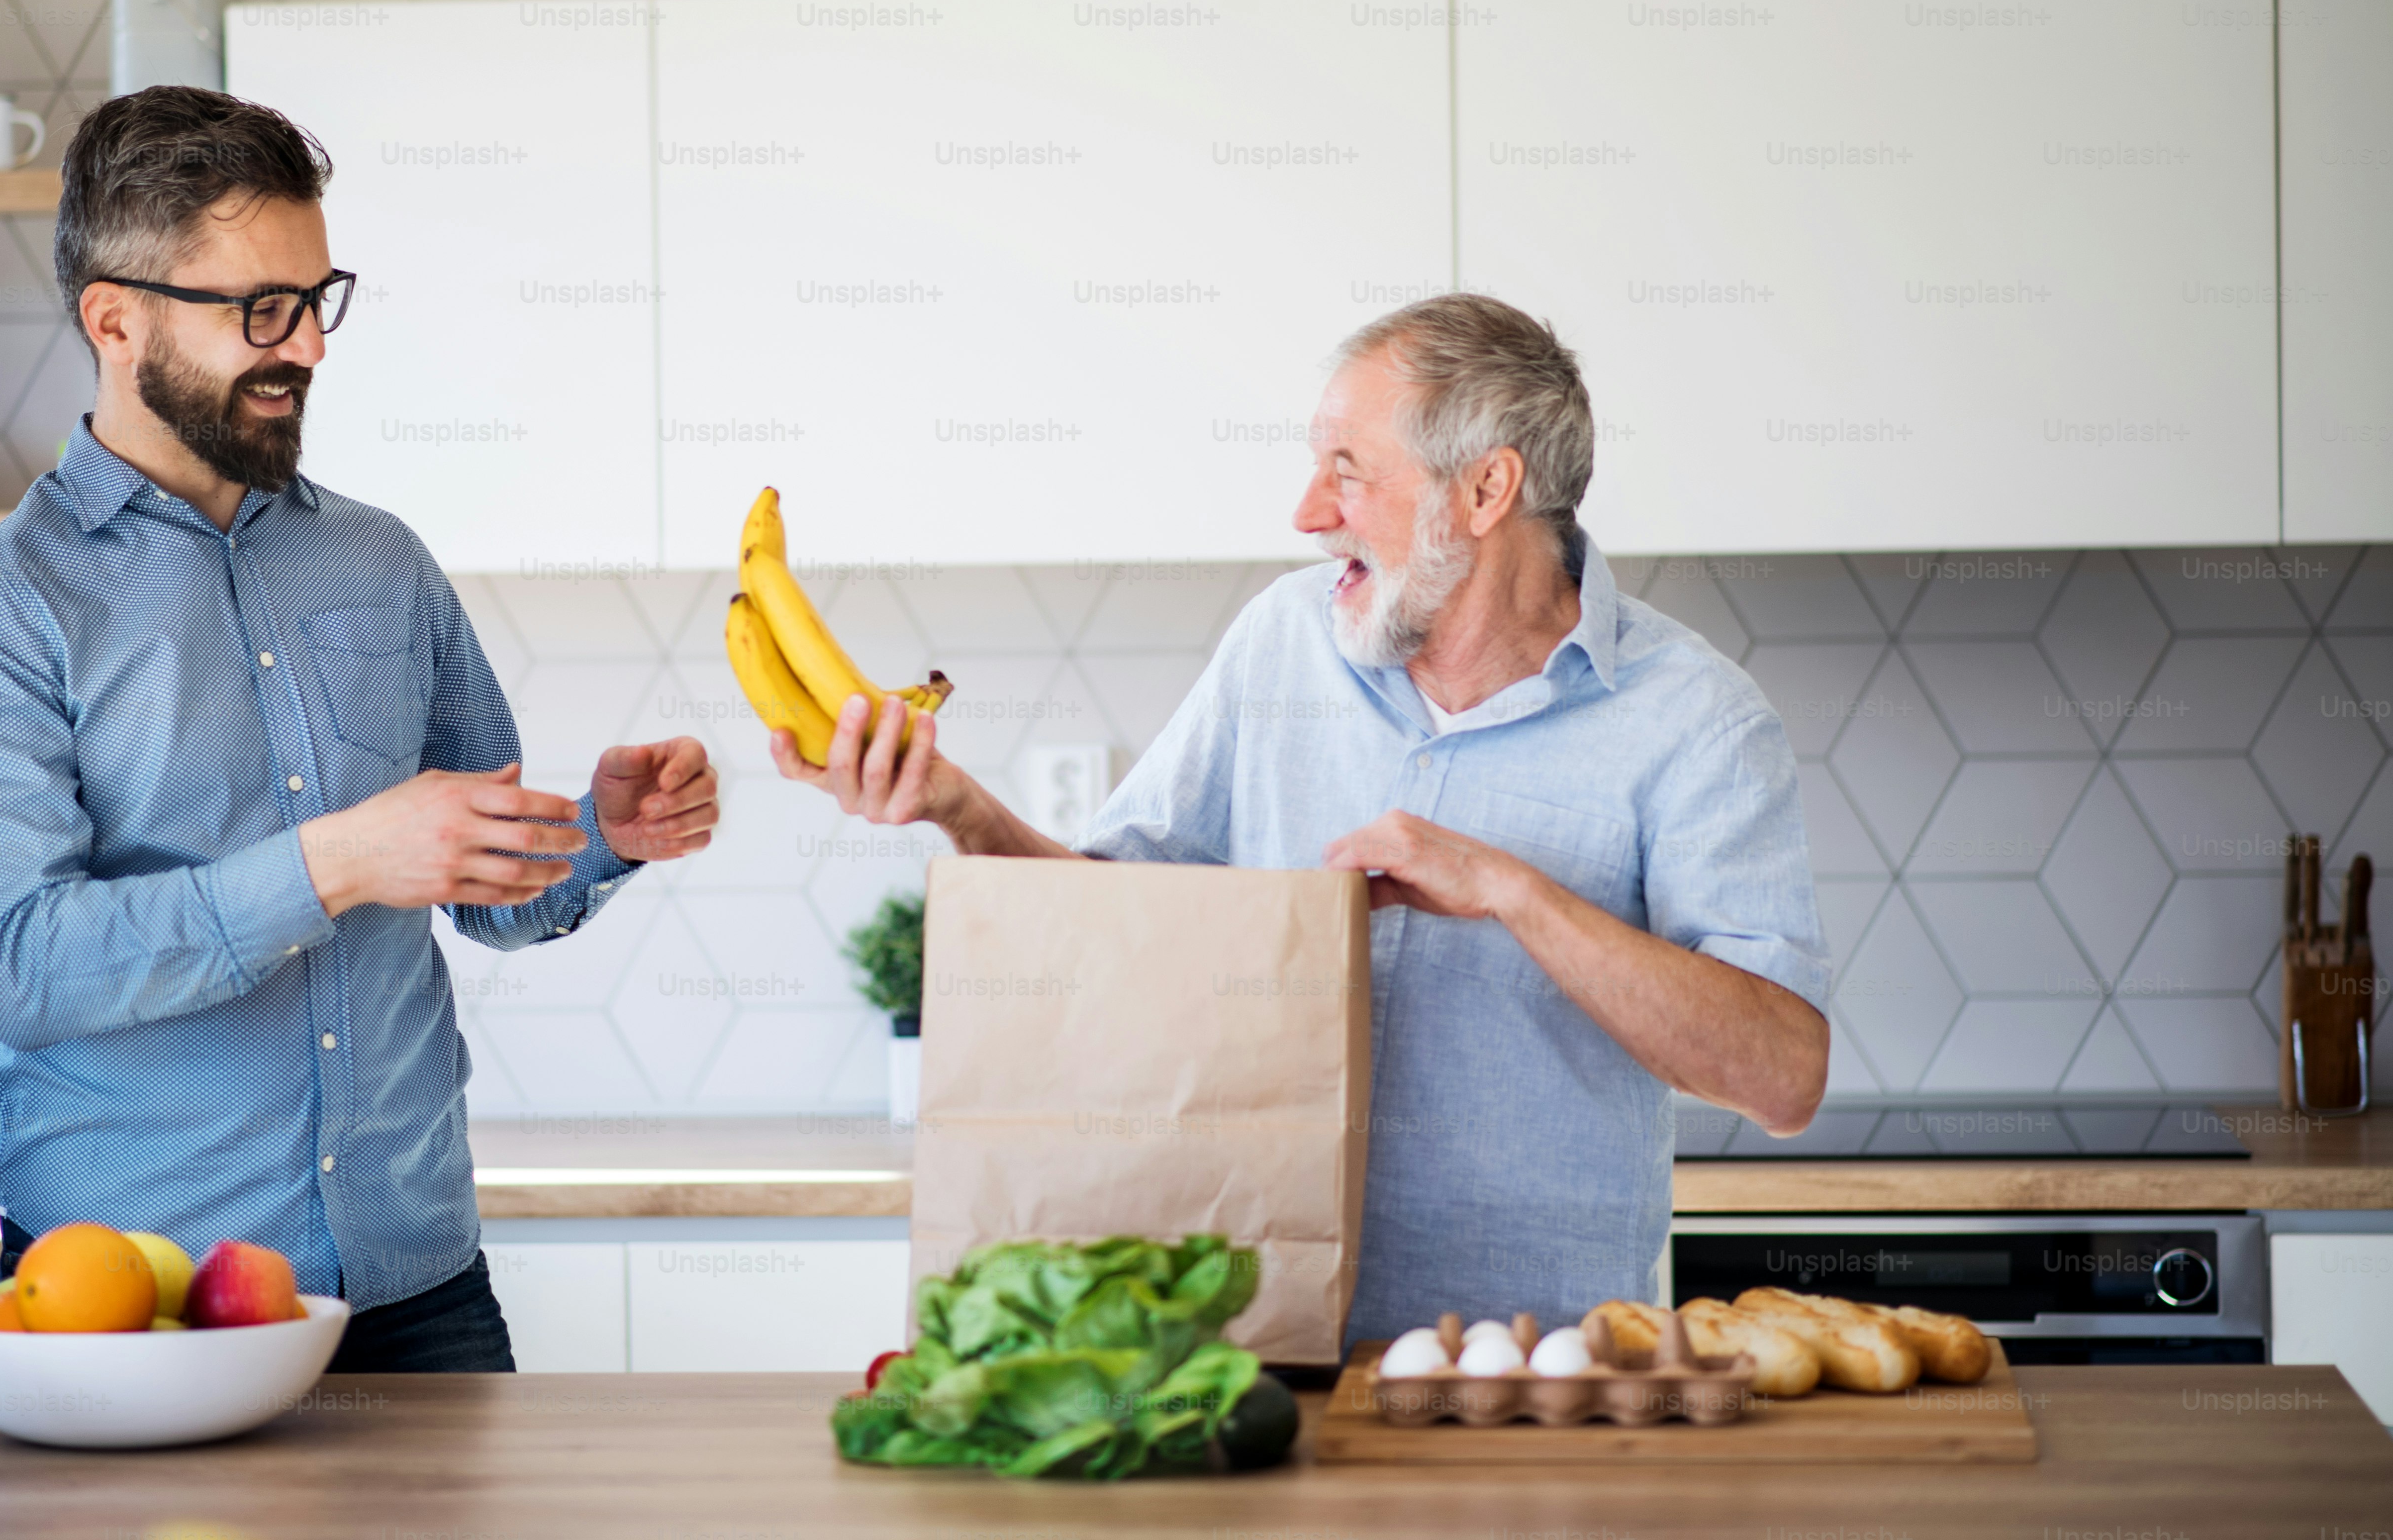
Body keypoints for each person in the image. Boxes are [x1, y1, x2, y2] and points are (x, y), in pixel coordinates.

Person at [776, 294, 1829, 1338]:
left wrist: (1516, 892)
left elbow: (1782, 1077)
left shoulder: (1697, 719)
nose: (1308, 512)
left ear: (1485, 488)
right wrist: (958, 807)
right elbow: (1116, 923)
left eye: (1347, 471)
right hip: (1254, 1344)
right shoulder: (1283, 638)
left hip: (1537, 1376)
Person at [0, 87, 717, 1371]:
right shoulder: (6, 610)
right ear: (114, 320)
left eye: (315, 299)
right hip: (132, 1308)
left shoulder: (379, 561)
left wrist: (599, 836)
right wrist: (338, 864)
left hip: (419, 1289)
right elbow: (24, 968)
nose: (308, 348)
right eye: (256, 311)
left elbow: (489, 890)